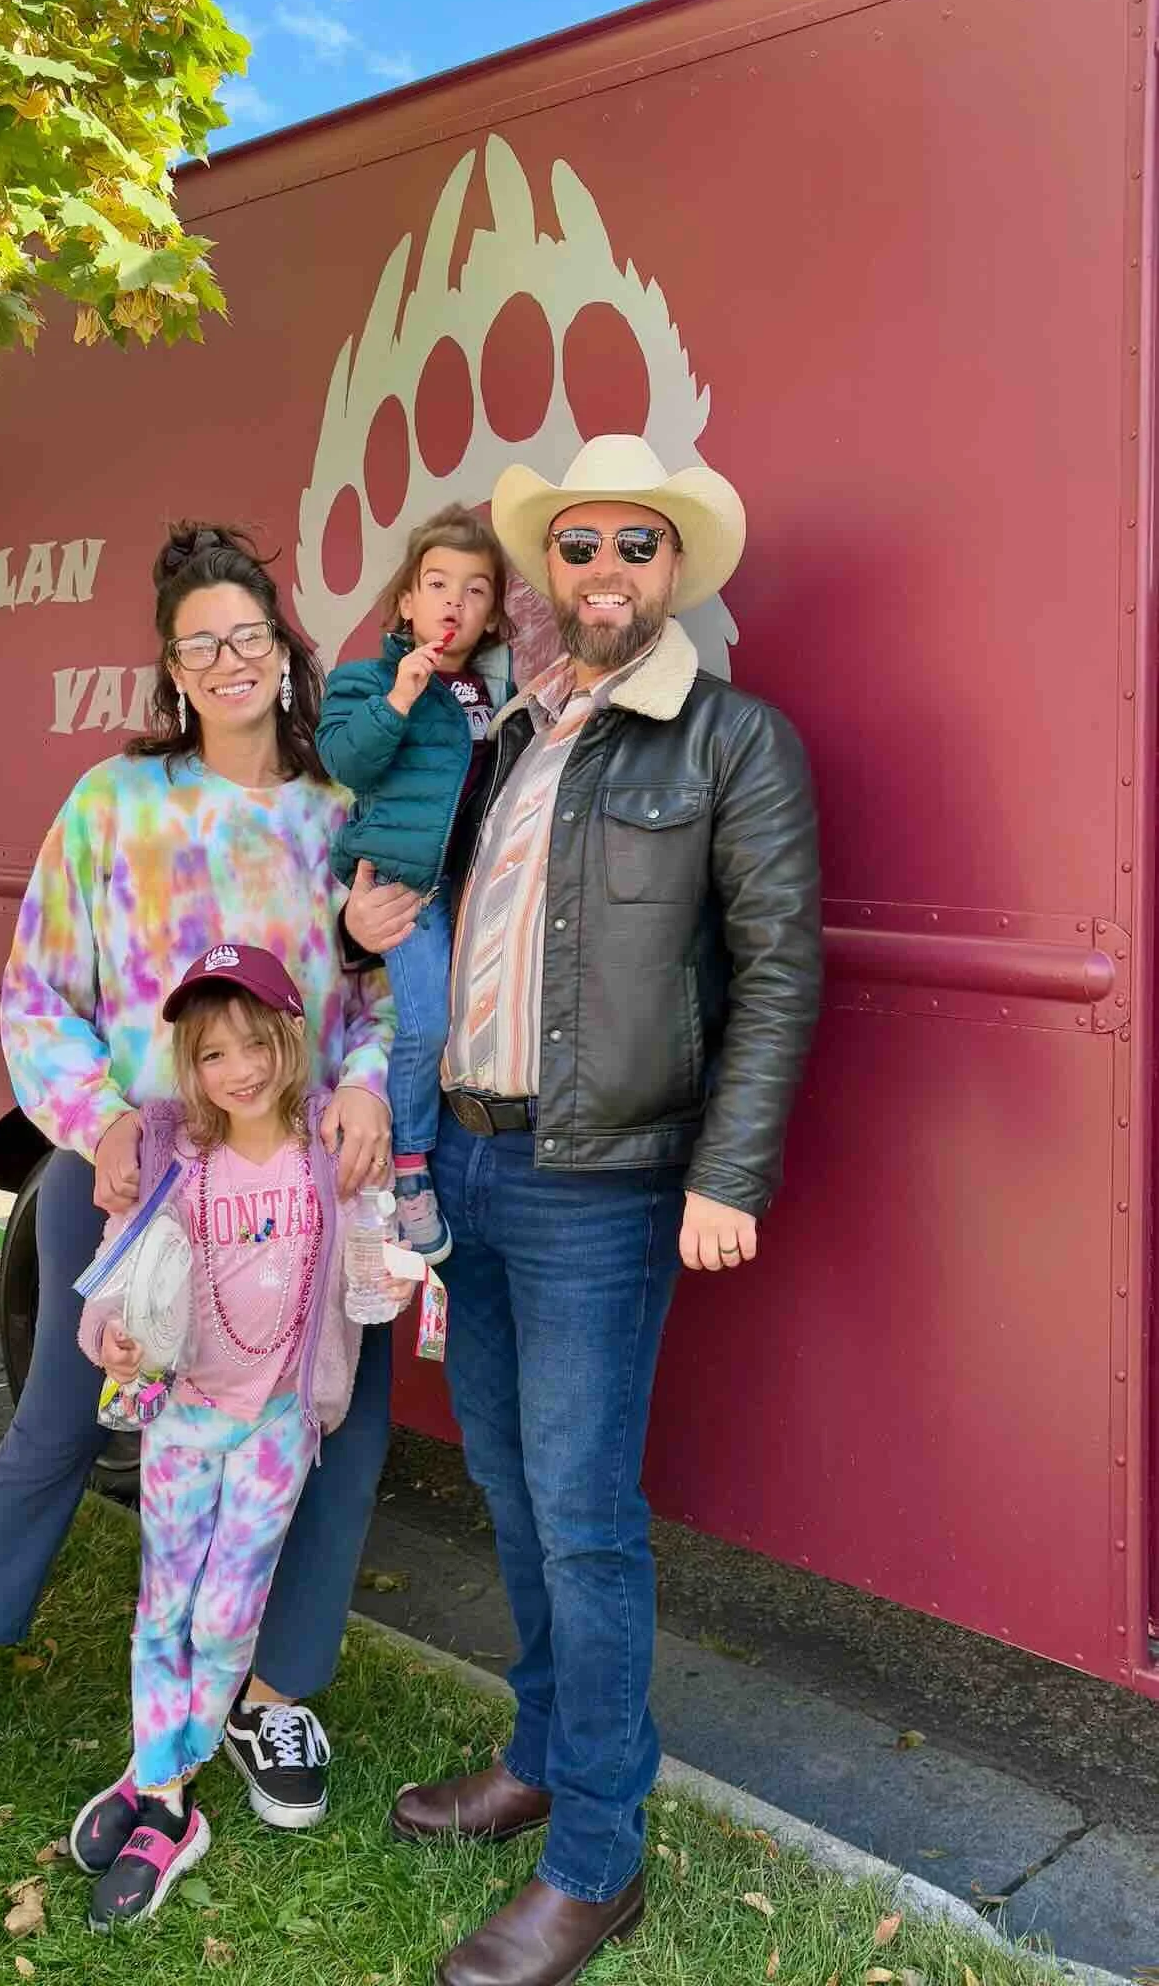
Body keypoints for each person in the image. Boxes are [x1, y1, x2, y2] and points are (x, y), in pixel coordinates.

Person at [383, 435, 823, 1986]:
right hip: (475, 1167)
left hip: (602, 1188)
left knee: (583, 1517)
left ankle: (597, 1860)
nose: (605, 573)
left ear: (677, 569)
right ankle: (541, 1757)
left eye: (637, 546)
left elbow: (778, 972)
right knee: (508, 1486)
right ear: (546, 574)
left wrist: (727, 1173)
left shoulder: (732, 742)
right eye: (577, 549)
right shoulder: (505, 732)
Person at [0, 525, 398, 1835]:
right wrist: (100, 1122)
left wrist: (363, 1085)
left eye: (249, 636)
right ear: (173, 671)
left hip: (299, 1199)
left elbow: (388, 997)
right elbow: (37, 996)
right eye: (200, 645)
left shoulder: (340, 817)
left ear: (285, 652)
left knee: (332, 1433)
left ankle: (273, 1694)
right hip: (135, 1188)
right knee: (64, 1416)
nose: (230, 661)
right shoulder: (112, 806)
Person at [68, 944, 375, 1930]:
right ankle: (161, 1785)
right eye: (211, 1055)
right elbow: (117, 1277)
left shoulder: (325, 1152)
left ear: (290, 1036)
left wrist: (396, 1269)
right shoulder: (173, 1155)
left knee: (223, 1613)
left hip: (277, 1424)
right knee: (164, 1603)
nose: (237, 1069)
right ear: (189, 1069)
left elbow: (374, 1261)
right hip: (182, 1413)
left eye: (254, 1043)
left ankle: (167, 1783)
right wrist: (108, 1333)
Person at [317, 506, 516, 1264]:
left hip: (476, 897)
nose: (452, 604)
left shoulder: (501, 696)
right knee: (425, 1025)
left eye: (474, 590)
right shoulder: (365, 682)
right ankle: (408, 1173)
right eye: (436, 584)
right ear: (405, 599)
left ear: (492, 612)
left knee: (470, 1035)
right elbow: (347, 762)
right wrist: (400, 696)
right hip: (407, 891)